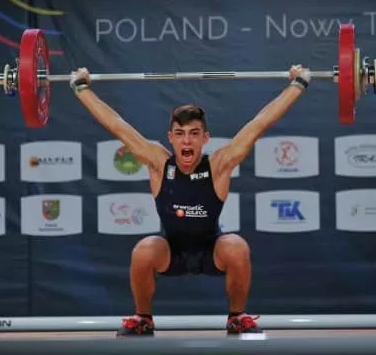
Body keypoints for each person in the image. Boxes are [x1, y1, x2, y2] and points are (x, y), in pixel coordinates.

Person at [69, 64, 311, 337]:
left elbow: (259, 124)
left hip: (212, 250)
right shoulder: (159, 163)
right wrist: (81, 88)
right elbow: (117, 126)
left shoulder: (218, 165)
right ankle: (143, 319)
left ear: (205, 138)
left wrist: (297, 85)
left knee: (236, 246)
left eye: (194, 134)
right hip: (170, 251)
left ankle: (237, 317)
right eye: (180, 134)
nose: (187, 141)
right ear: (170, 138)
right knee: (143, 250)